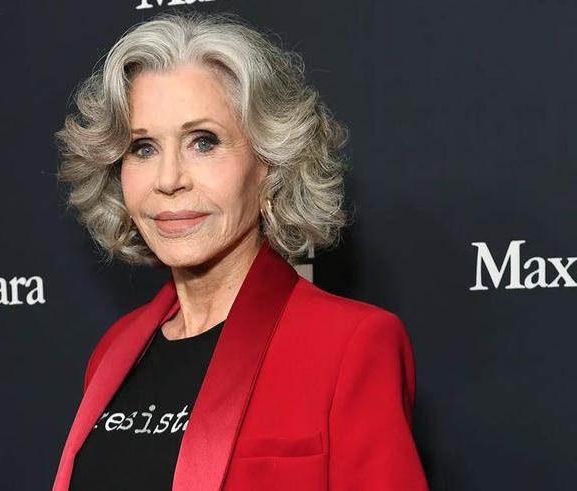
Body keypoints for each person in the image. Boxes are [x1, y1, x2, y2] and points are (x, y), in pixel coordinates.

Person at [51, 10, 429, 491]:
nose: (168, 179)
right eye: (143, 148)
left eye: (203, 142)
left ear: (268, 164)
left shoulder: (350, 345)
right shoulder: (114, 350)